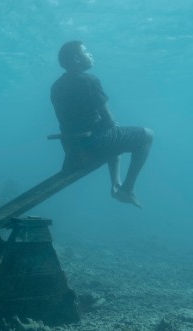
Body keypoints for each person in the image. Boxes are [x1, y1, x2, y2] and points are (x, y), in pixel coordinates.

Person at [50, 40, 154, 208]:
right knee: (147, 135)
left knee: (115, 133)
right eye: (85, 51)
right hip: (93, 145)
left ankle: (115, 184)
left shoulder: (56, 86)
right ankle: (126, 189)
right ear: (76, 58)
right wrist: (110, 123)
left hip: (71, 148)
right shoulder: (89, 81)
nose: (90, 54)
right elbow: (109, 119)